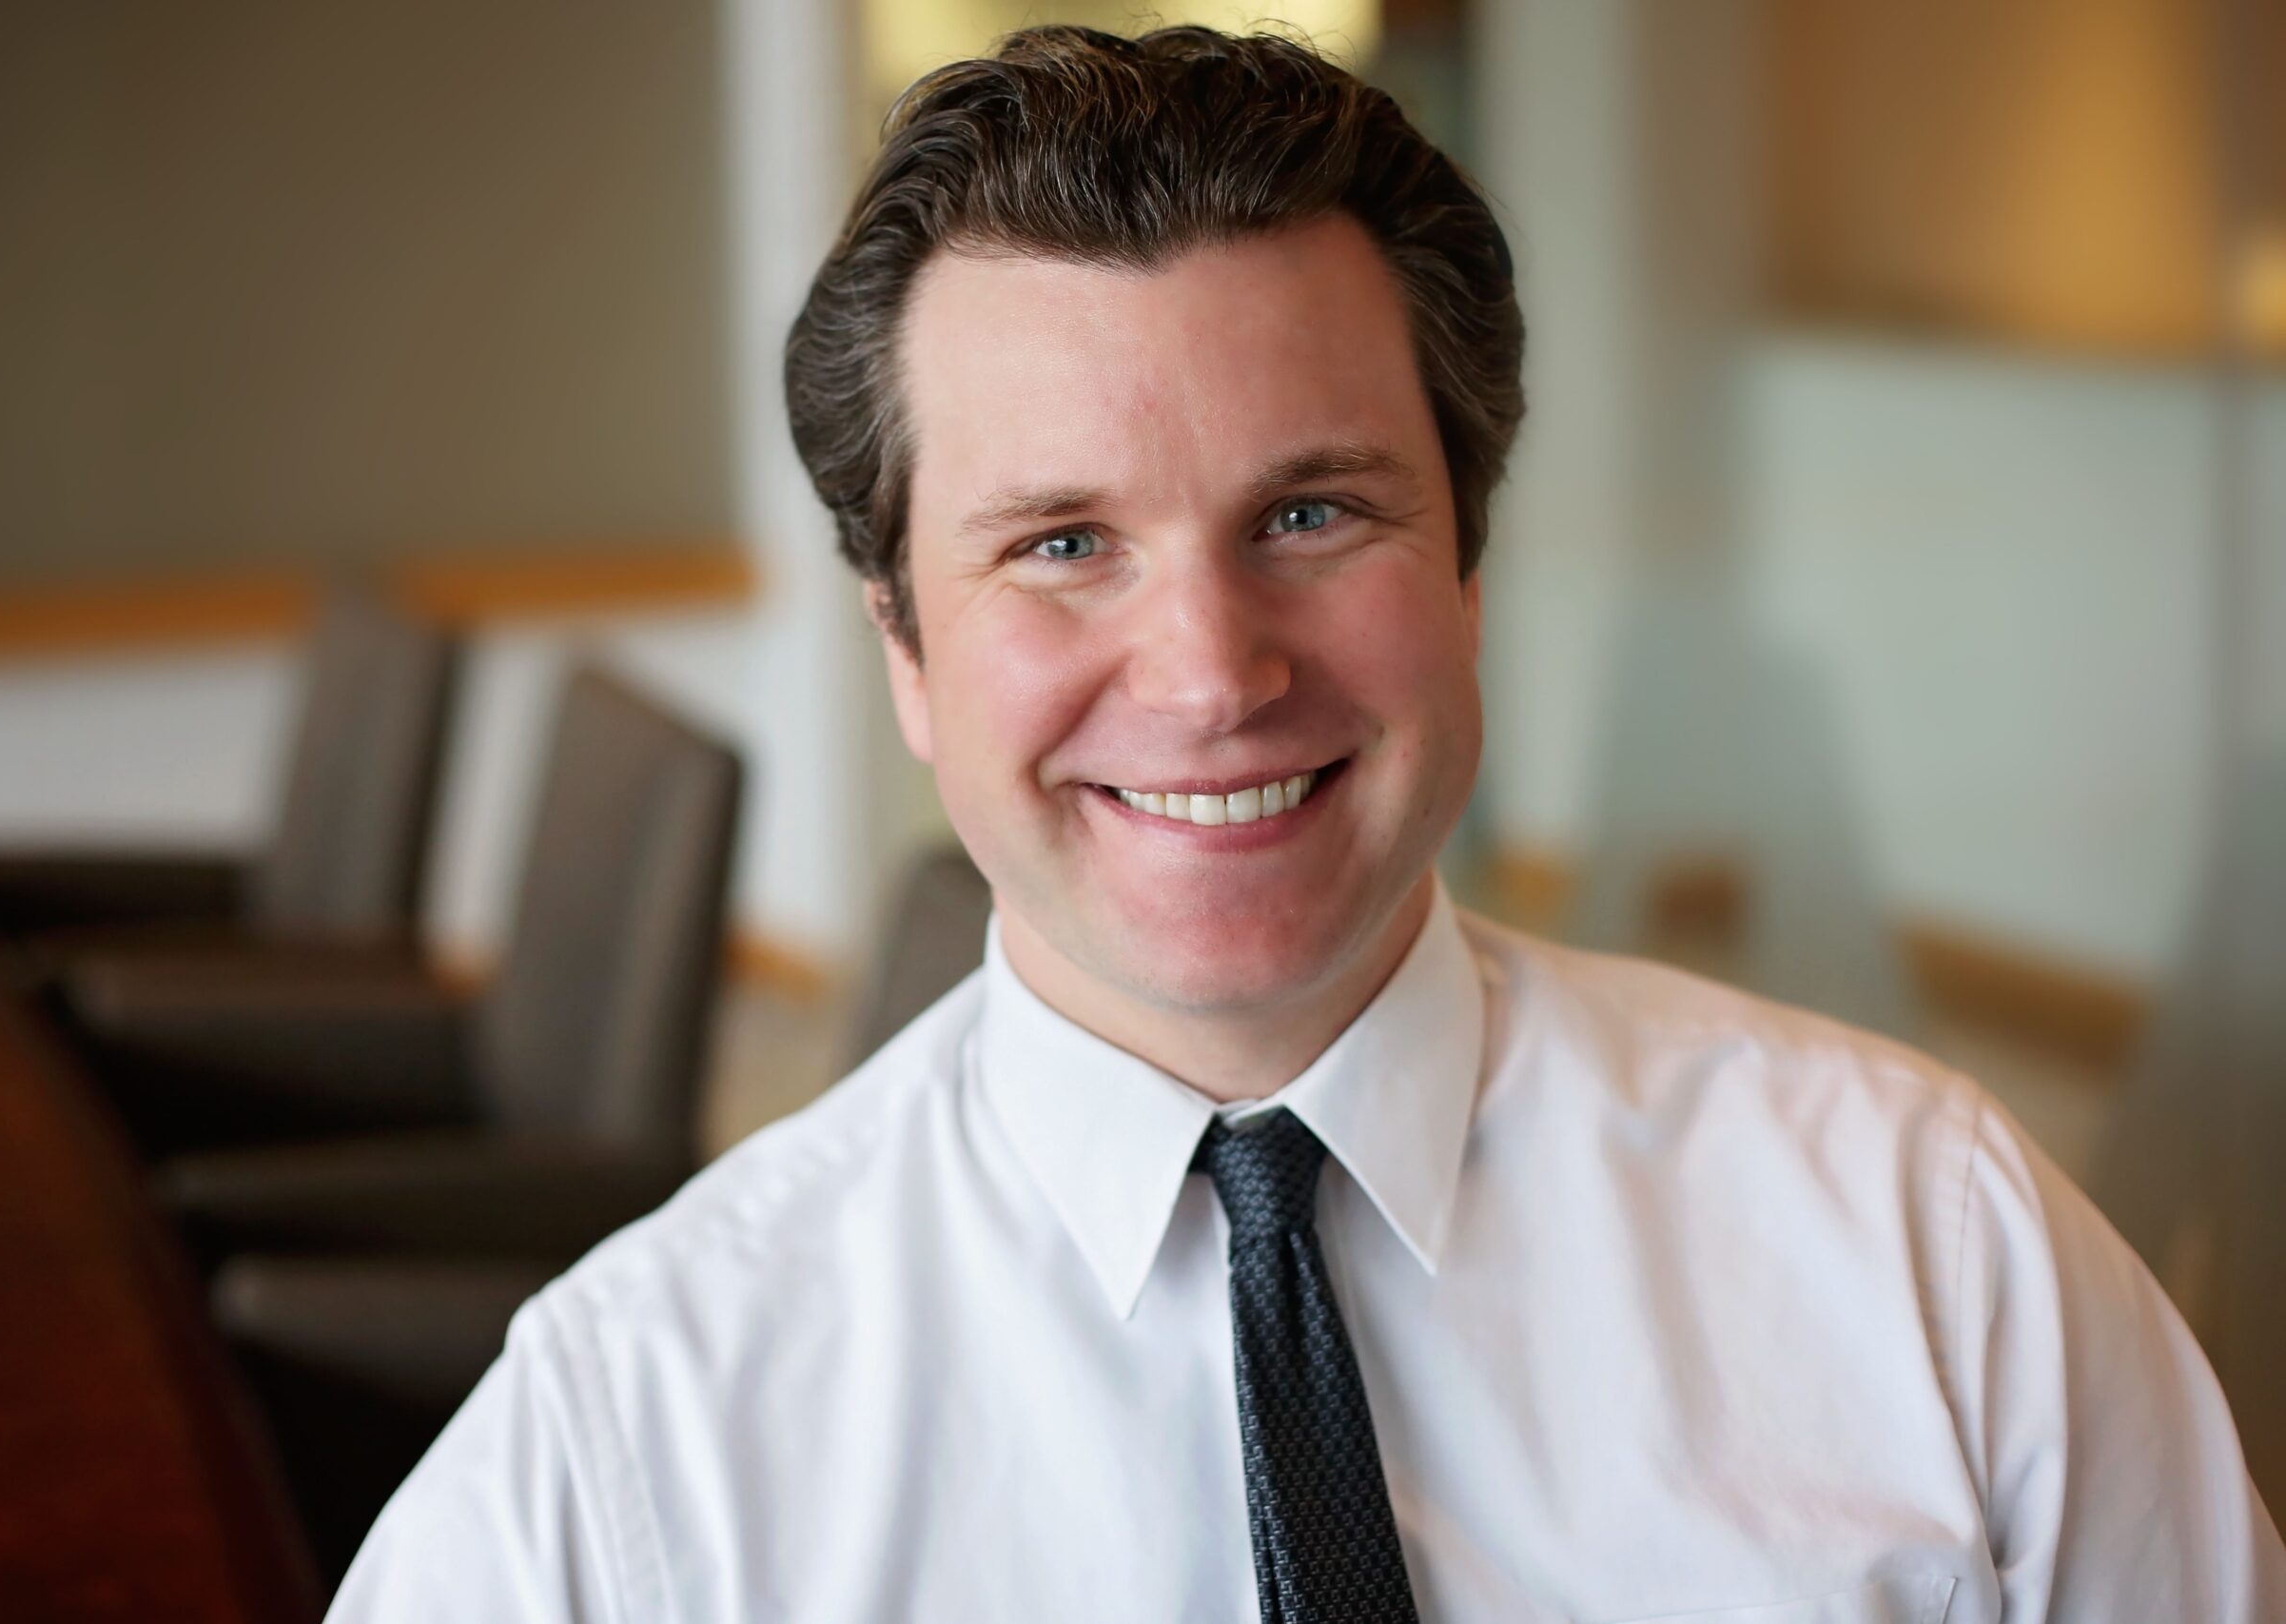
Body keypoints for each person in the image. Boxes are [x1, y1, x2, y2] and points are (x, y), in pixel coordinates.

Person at [325, 26, 2283, 1622]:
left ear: (1467, 575)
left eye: (1311, 512)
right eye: (1061, 543)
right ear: (906, 650)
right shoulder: (627, 1450)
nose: (1206, 670)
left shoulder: (1936, 1254)